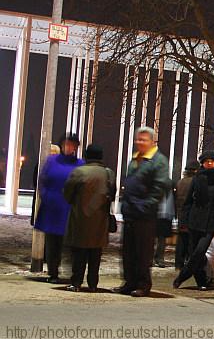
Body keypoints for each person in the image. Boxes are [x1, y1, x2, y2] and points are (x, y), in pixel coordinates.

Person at [114, 127, 170, 297]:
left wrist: (144, 206)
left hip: (145, 216)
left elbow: (159, 188)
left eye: (143, 140)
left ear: (153, 142)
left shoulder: (158, 160)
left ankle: (143, 284)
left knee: (143, 252)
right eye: (138, 139)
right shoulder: (135, 158)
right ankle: (129, 282)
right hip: (131, 213)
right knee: (128, 251)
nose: (139, 142)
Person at [62, 144, 116, 292]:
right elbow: (112, 195)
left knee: (79, 253)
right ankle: (93, 284)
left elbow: (67, 195)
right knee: (95, 254)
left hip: (80, 219)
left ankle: (76, 282)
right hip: (100, 221)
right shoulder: (108, 173)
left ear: (86, 156)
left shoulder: (79, 172)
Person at [174, 151, 214, 290]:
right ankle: (202, 281)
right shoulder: (197, 179)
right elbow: (188, 202)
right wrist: (184, 222)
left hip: (211, 223)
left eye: (212, 161)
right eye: (206, 161)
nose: (209, 163)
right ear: (202, 163)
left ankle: (182, 276)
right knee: (194, 253)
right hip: (195, 221)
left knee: (199, 251)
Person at [34, 133, 84, 283]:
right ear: (62, 145)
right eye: (66, 144)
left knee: (69, 241)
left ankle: (71, 273)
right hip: (52, 207)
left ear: (76, 147)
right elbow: (42, 179)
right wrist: (45, 195)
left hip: (69, 208)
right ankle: (53, 272)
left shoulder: (80, 164)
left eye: (72, 145)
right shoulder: (52, 160)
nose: (68, 147)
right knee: (52, 242)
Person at [174, 160, 200, 270]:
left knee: (181, 240)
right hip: (191, 216)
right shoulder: (195, 182)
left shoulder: (180, 182)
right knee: (191, 241)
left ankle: (178, 264)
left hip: (181, 215)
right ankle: (189, 264)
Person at [31, 145, 61, 226]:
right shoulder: (40, 164)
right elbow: (36, 180)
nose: (52, 155)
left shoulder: (59, 166)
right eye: (50, 153)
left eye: (54, 153)